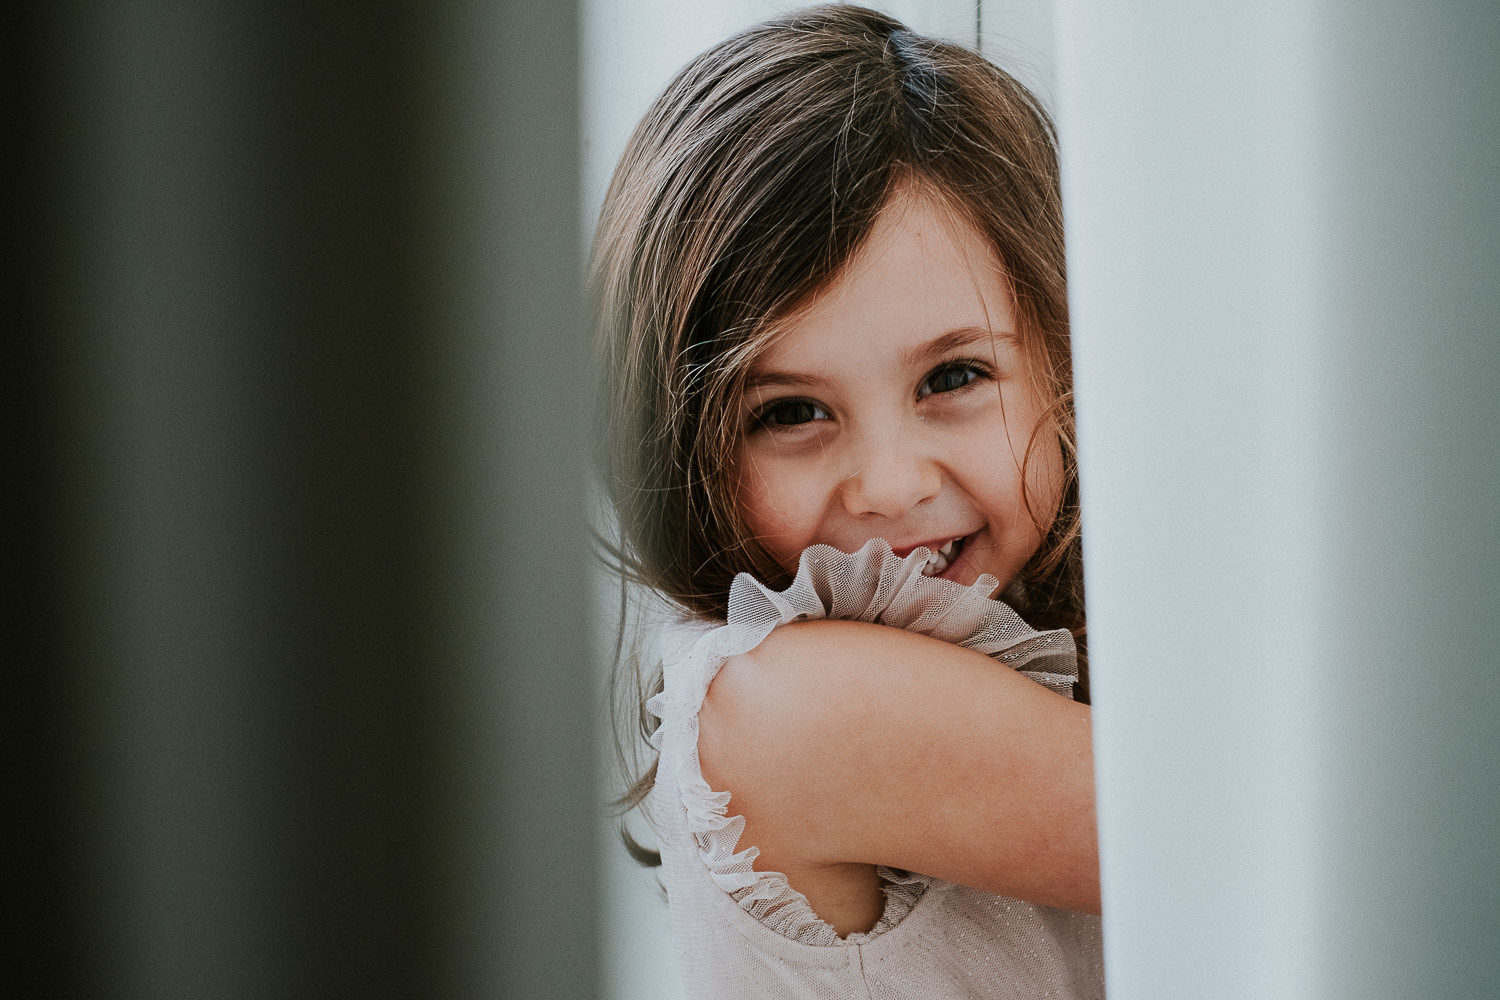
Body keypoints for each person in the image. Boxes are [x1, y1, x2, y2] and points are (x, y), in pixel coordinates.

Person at [592, 5, 1102, 997]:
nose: (889, 482)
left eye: (952, 378)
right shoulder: (793, 702)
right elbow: (1243, 843)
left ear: (1065, 360)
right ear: (688, 446)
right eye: (792, 410)